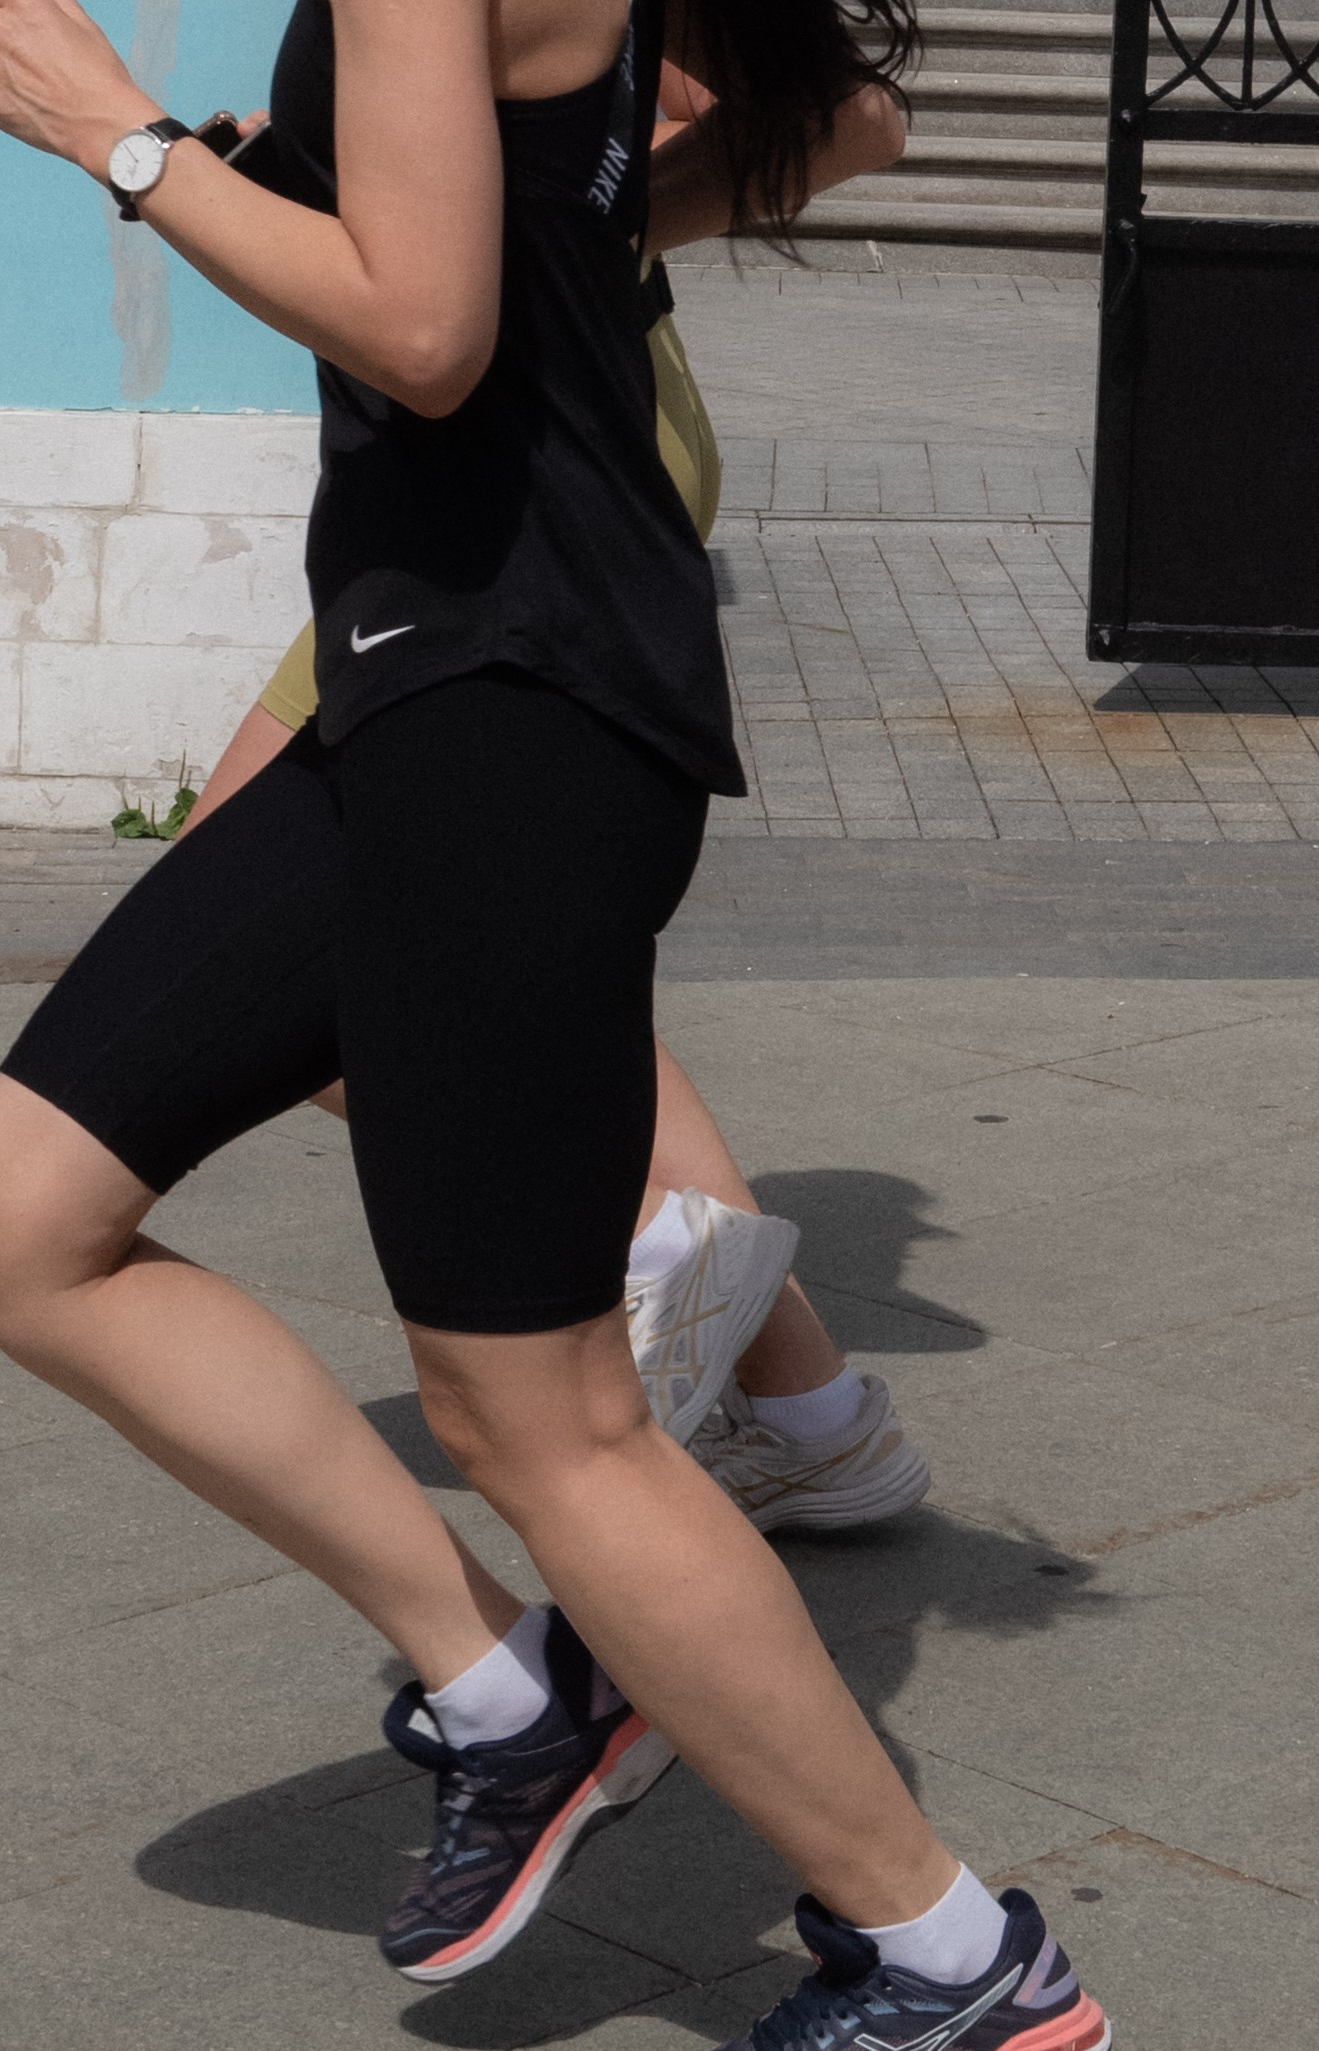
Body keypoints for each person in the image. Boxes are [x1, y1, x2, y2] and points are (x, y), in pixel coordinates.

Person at [0, 0, 1109, 2051]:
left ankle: (946, 1957)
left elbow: (431, 329)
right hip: (435, 682)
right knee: (25, 1218)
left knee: (539, 1411)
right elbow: (720, 165)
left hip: (512, 702)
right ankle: (501, 1690)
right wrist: (451, 208)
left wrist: (125, 142)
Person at [189, 605, 934, 1530]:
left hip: (456, 559)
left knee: (221, 925)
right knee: (533, 961)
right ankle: (811, 1413)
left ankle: (657, 1246)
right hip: (527, 553)